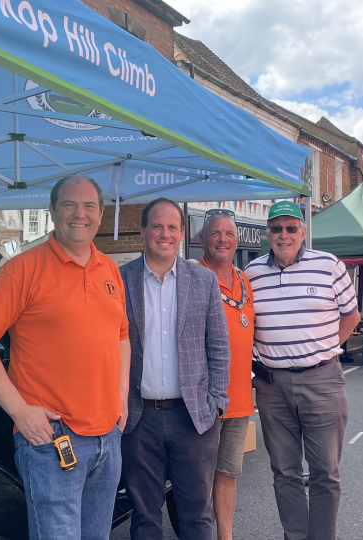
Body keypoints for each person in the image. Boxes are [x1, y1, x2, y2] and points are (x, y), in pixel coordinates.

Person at [0, 175, 130, 540]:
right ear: (52, 211)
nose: (79, 214)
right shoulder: (21, 270)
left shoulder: (109, 270)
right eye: (69, 204)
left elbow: (121, 336)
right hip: (51, 440)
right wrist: (19, 411)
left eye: (88, 206)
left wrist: (120, 397)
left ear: (101, 215)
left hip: (107, 438)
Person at [245, 200, 359, 540]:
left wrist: (320, 351)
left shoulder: (329, 265)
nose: (284, 235)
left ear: (303, 231)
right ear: (267, 234)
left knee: (326, 472)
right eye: (276, 229)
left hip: (322, 380)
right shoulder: (251, 273)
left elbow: (351, 316)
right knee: (284, 471)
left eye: (291, 228)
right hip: (272, 386)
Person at [119, 198, 230, 540]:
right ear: (143, 231)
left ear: (182, 233)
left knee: (197, 516)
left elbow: (219, 347)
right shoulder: (120, 280)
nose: (163, 234)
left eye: (171, 227)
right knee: (145, 517)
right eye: (156, 226)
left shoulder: (203, 280)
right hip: (139, 419)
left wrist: (216, 403)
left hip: (193, 417)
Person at [197, 209, 255, 540]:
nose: (223, 239)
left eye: (229, 233)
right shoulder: (192, 278)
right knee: (198, 476)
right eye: (216, 233)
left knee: (228, 473)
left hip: (239, 398)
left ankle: (226, 536)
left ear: (237, 240)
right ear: (202, 238)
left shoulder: (245, 280)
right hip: (204, 399)